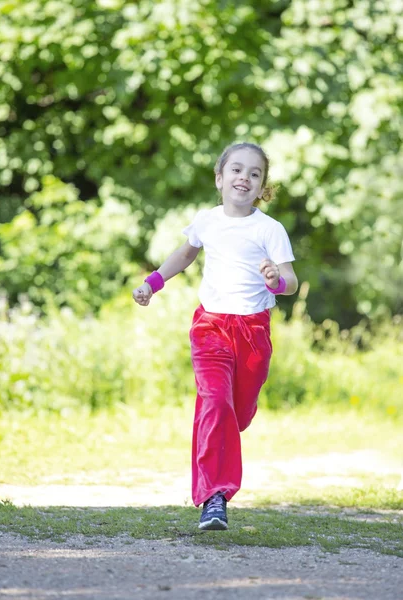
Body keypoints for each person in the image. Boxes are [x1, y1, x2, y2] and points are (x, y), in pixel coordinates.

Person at [132, 142, 298, 530]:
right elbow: (184, 255)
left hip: (253, 332)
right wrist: (152, 283)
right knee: (215, 403)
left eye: (254, 174)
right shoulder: (207, 220)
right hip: (210, 327)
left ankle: (225, 436)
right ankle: (214, 497)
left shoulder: (270, 230)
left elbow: (291, 281)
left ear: (262, 187)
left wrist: (276, 280)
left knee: (234, 412)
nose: (245, 177)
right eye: (237, 170)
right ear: (220, 178)